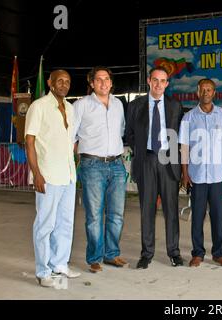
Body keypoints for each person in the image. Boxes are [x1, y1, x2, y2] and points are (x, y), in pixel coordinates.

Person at [25, 70, 80, 287]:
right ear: (50, 83)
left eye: (67, 81)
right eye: (60, 81)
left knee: (66, 223)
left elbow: (70, 141)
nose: (64, 85)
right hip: (47, 176)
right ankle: (43, 271)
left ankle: (60, 264)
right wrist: (36, 174)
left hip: (67, 176)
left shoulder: (70, 107)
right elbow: (30, 142)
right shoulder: (38, 106)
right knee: (45, 225)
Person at [125, 66, 184, 269]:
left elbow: (180, 136)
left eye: (163, 81)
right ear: (149, 81)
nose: (159, 84)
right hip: (147, 161)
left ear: (167, 84)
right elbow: (129, 134)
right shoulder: (135, 106)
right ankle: (147, 253)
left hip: (168, 161)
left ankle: (174, 252)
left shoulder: (175, 106)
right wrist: (141, 149)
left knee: (171, 209)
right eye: (155, 80)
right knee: (147, 209)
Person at [73, 66, 128, 273]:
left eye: (107, 79)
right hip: (92, 165)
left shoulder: (118, 105)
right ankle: (94, 257)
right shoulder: (81, 105)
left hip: (116, 165)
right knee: (94, 215)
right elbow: (72, 135)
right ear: (92, 83)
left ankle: (111, 254)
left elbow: (120, 131)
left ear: (111, 83)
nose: (104, 83)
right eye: (99, 79)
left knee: (116, 214)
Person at [179, 78, 222, 267]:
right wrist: (185, 173)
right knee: (198, 216)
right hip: (197, 175)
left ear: (214, 92)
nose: (206, 93)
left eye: (209, 90)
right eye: (202, 90)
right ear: (197, 92)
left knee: (218, 215)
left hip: (218, 174)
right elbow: (184, 147)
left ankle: (219, 253)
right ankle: (198, 253)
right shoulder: (188, 117)